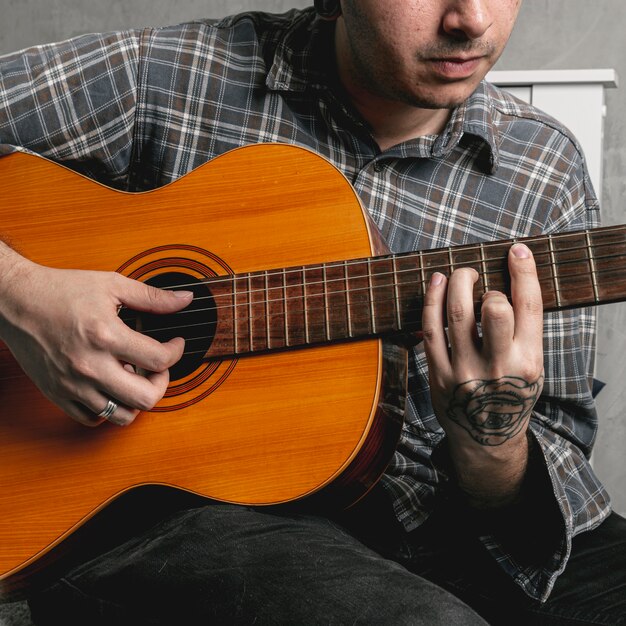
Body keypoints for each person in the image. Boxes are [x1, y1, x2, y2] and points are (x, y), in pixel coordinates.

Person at [0, 1, 624, 623]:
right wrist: (22, 296)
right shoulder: (172, 73)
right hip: (191, 517)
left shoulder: (544, 168)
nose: (471, 19)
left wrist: (492, 441)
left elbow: (549, 472)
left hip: (443, 522)